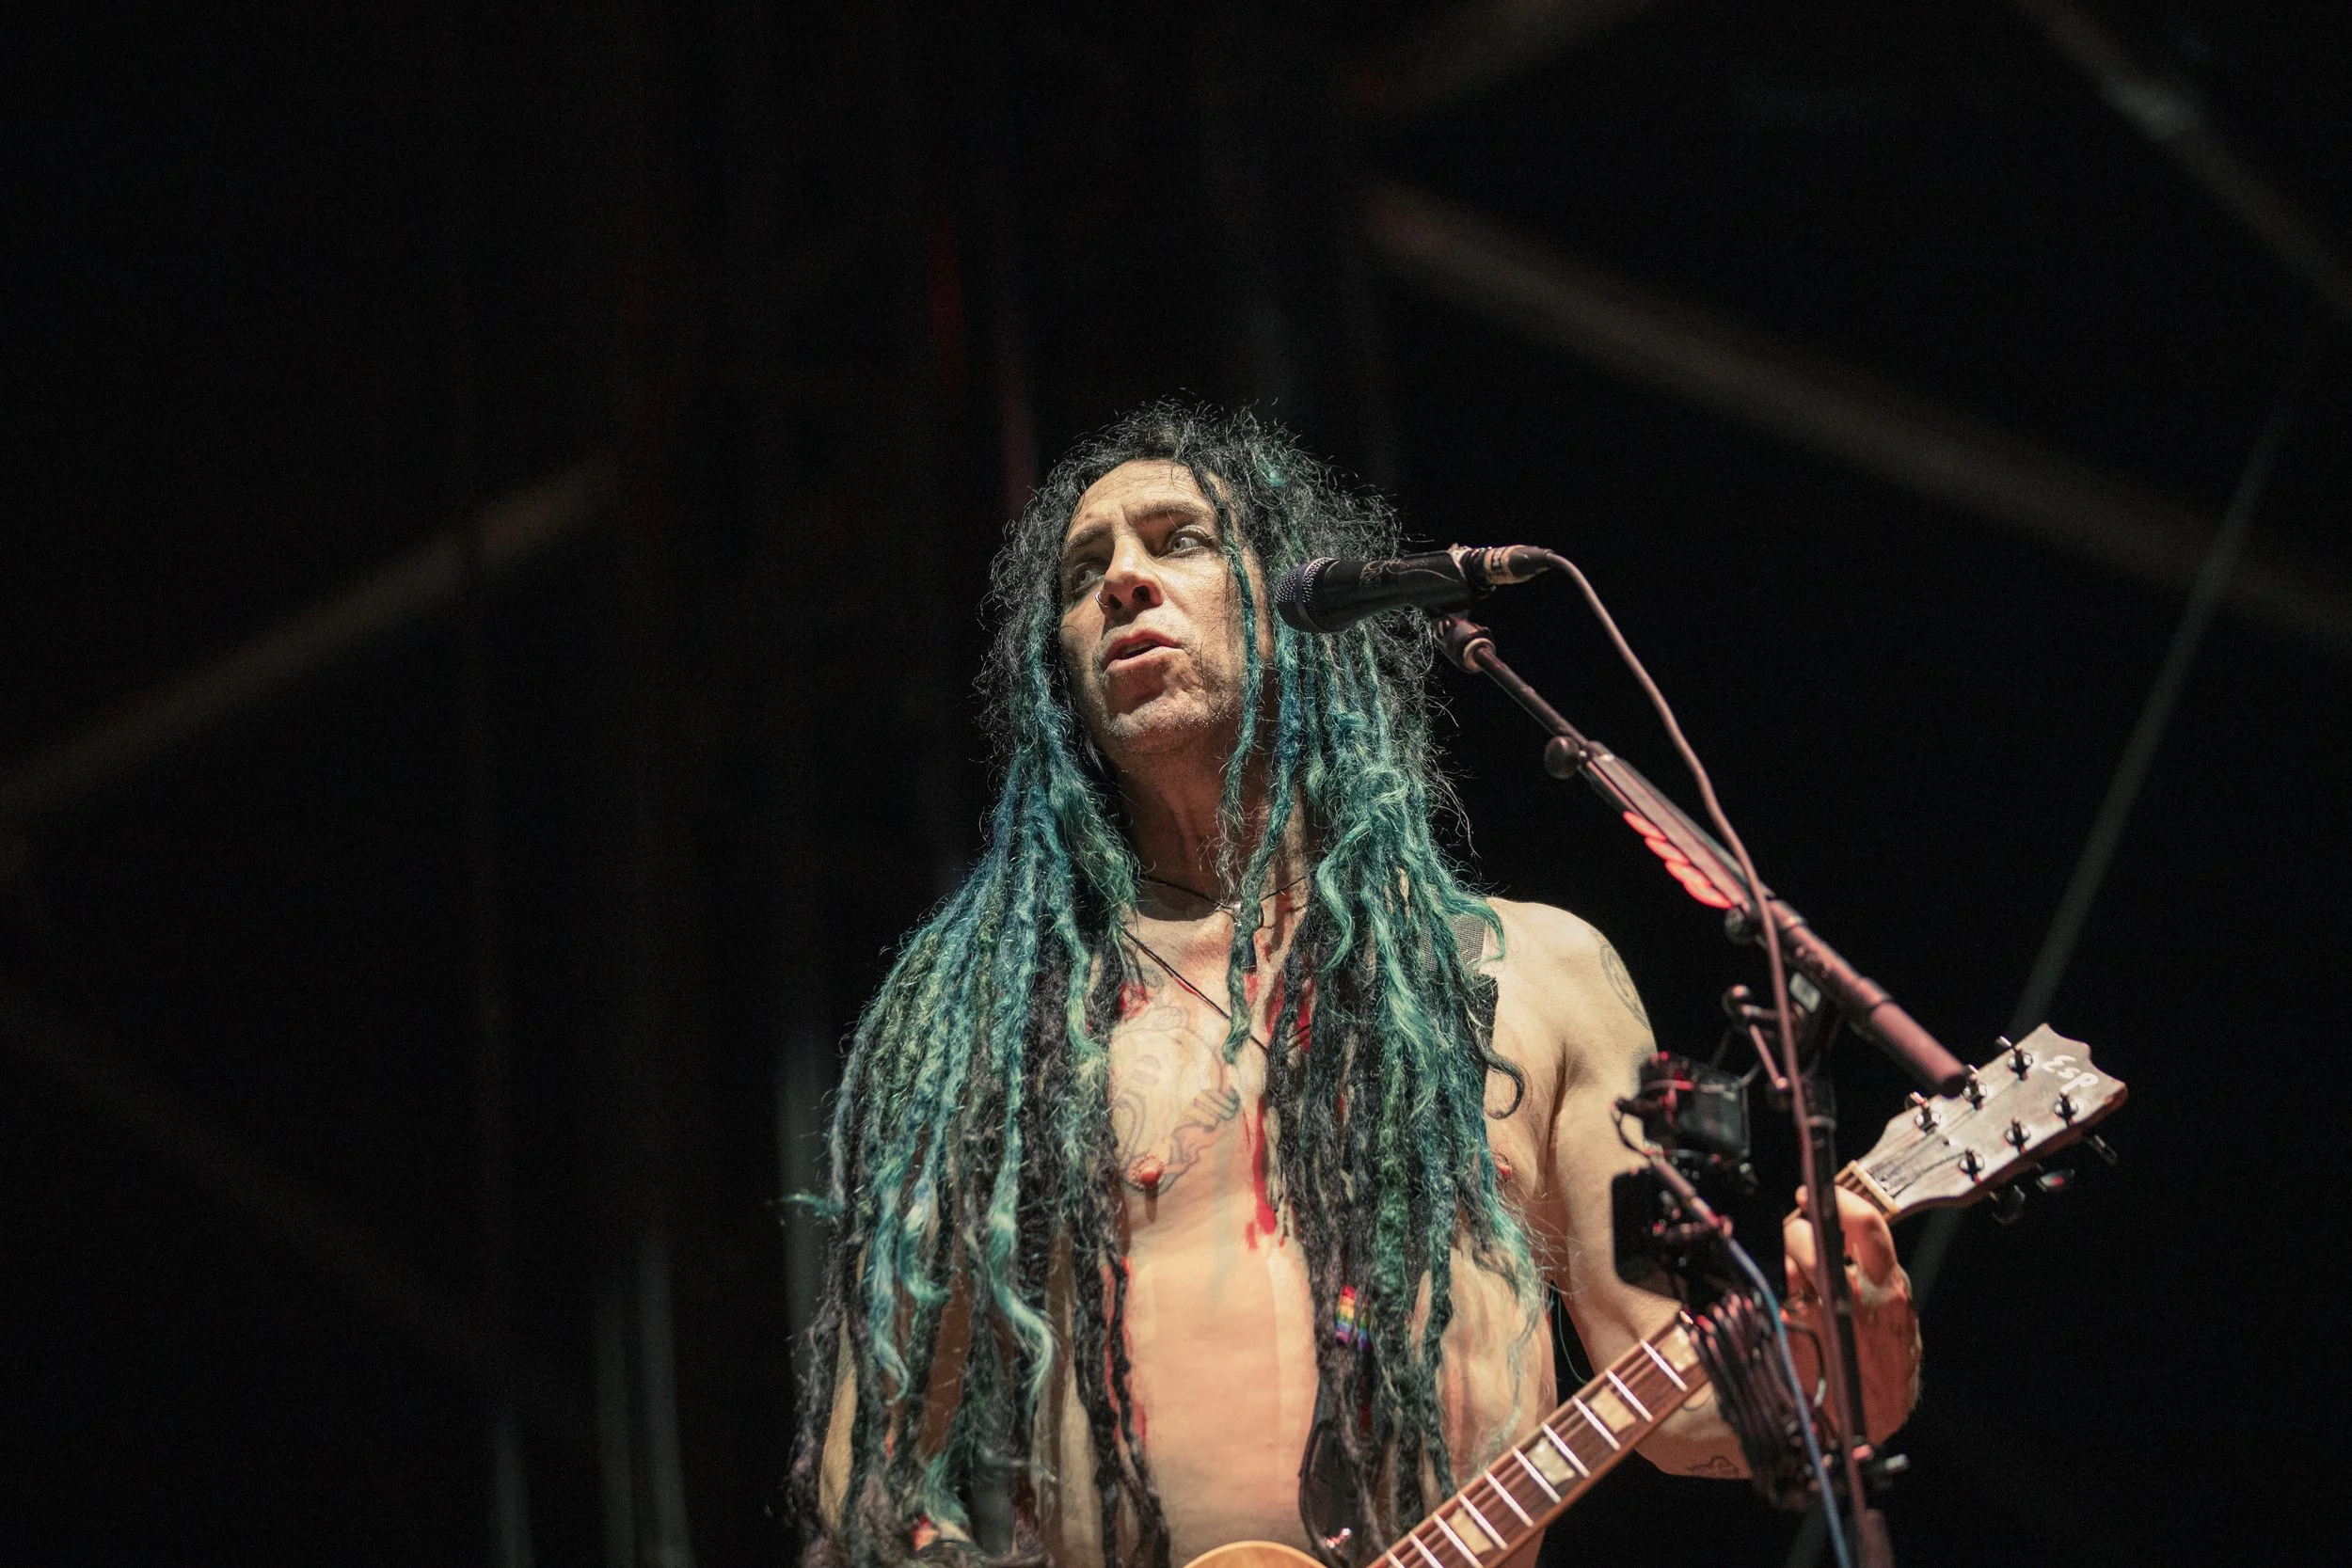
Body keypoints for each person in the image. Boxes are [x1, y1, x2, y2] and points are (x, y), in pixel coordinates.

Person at [790, 404, 1920, 1568]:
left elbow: (1683, 1405)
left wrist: (1857, 1364)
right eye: (1084, 571)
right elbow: (869, 1472)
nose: (1123, 579)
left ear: (1297, 610)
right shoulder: (992, 1012)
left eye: (1176, 539)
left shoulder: (1536, 974)